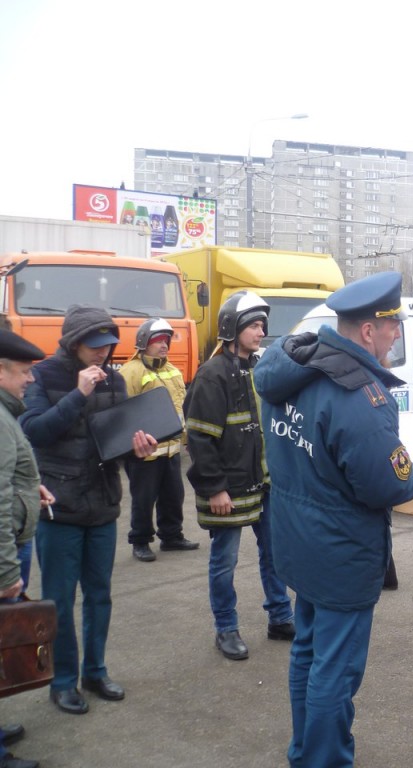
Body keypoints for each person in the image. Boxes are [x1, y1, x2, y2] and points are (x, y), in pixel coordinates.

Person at [255, 271, 413, 767]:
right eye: (392, 325)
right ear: (367, 332)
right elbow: (386, 485)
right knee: (334, 671)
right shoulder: (361, 396)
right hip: (340, 551)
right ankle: (323, 759)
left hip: (298, 541)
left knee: (308, 654)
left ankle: (304, 750)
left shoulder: (292, 366)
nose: (396, 332)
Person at [20, 305, 157, 715]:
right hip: (57, 506)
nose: (102, 353)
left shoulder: (115, 380)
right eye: (94, 346)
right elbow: (35, 432)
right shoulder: (43, 376)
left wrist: (139, 451)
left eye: (108, 346)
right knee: (59, 599)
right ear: (72, 343)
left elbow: (116, 443)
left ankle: (95, 671)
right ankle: (61, 681)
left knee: (100, 596)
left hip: (102, 503)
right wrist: (79, 394)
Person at [183, 291, 294, 661]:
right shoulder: (212, 374)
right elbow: (199, 437)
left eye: (263, 325)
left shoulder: (259, 368)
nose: (261, 331)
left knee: (274, 555)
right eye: (254, 325)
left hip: (263, 484)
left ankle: (280, 618)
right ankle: (226, 629)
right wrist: (214, 488)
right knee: (224, 562)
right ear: (232, 328)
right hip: (227, 490)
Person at [0, 330, 51, 768]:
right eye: (23, 371)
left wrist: (28, 487)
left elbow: (6, 478)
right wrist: (5, 573)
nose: (30, 381)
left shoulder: (5, 414)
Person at [120, 318, 198, 562]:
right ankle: (140, 541)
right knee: (143, 500)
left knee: (173, 497)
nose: (164, 345)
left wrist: (187, 439)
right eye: (157, 341)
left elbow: (181, 408)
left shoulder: (172, 370)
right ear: (144, 343)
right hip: (145, 453)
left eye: (165, 340)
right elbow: (123, 413)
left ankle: (172, 536)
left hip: (171, 450)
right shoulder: (130, 372)